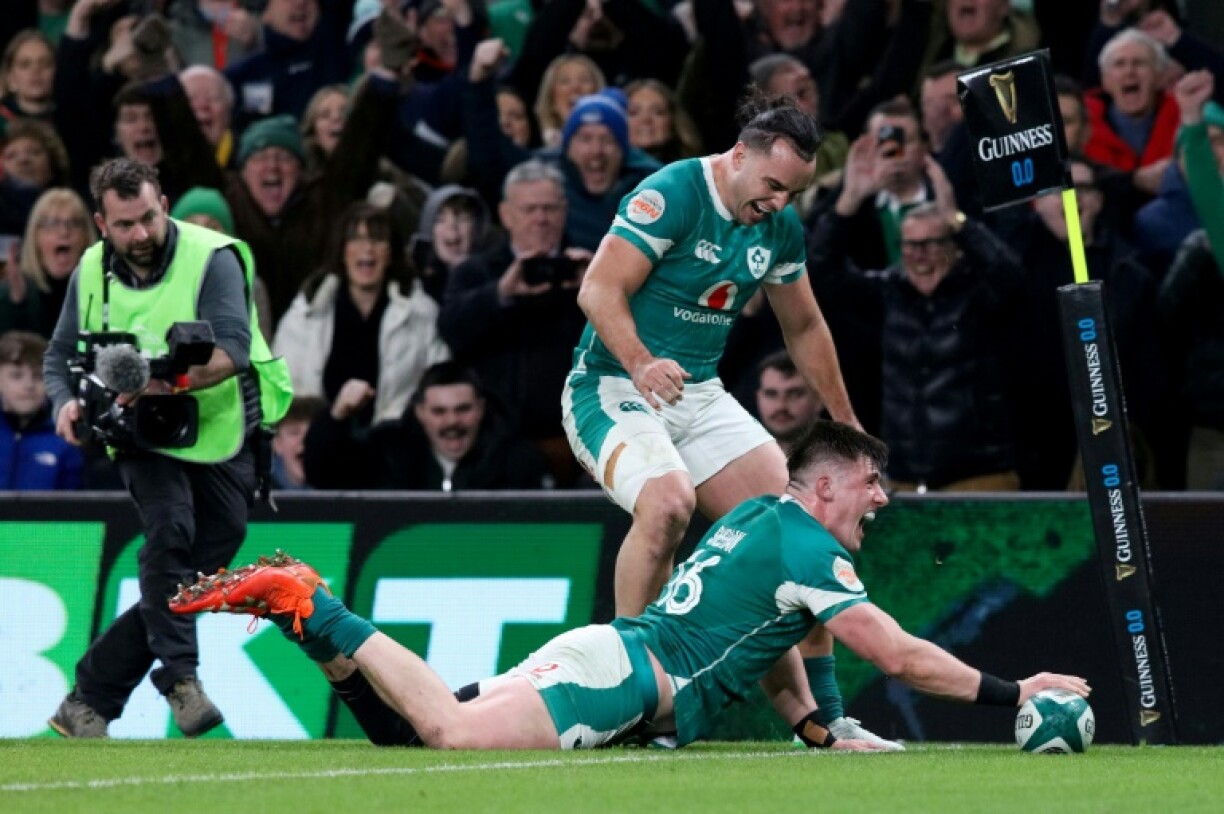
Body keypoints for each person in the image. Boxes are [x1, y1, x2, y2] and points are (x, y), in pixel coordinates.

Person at [171, 420, 1090, 751]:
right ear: (822, 486)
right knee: (446, 732)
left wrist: (819, 726)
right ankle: (310, 598)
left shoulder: (759, 521)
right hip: (615, 681)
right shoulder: (812, 550)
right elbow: (897, 656)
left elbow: (775, 641)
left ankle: (308, 628)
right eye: (870, 483)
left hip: (609, 658)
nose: (881, 499)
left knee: (404, 736)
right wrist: (1017, 691)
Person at [562, 91, 891, 747]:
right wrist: (641, 360)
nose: (778, 203)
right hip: (611, 385)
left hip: (698, 393)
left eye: (793, 193)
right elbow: (597, 288)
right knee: (667, 505)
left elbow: (804, 326)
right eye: (772, 185)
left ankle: (825, 721)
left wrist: (846, 422)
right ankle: (628, 696)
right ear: (739, 156)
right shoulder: (674, 192)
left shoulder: (779, 227)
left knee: (803, 526)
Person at [42, 158, 292, 739]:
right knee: (169, 529)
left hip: (223, 423)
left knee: (210, 551)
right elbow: (59, 355)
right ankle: (182, 679)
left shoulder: (213, 257)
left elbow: (232, 348)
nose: (141, 234)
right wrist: (64, 402)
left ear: (165, 205)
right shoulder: (89, 271)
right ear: (101, 224)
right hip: (138, 431)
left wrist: (162, 382)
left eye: (149, 218)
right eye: (125, 224)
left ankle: (88, 698)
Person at [302, 360, 550, 491]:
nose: (452, 421)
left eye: (463, 409)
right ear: (420, 412)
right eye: (439, 411)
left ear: (481, 408)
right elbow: (323, 474)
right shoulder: (388, 450)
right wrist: (337, 416)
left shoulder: (516, 458)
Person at [0, 329, 82, 490]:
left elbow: (74, 502)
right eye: (16, 376)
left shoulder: (66, 439)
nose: (29, 385)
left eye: (38, 376)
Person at [755, 350, 824, 455]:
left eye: (794, 394)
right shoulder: (737, 458)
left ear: (819, 399)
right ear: (758, 398)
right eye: (771, 394)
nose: (780, 405)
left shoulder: (845, 456)